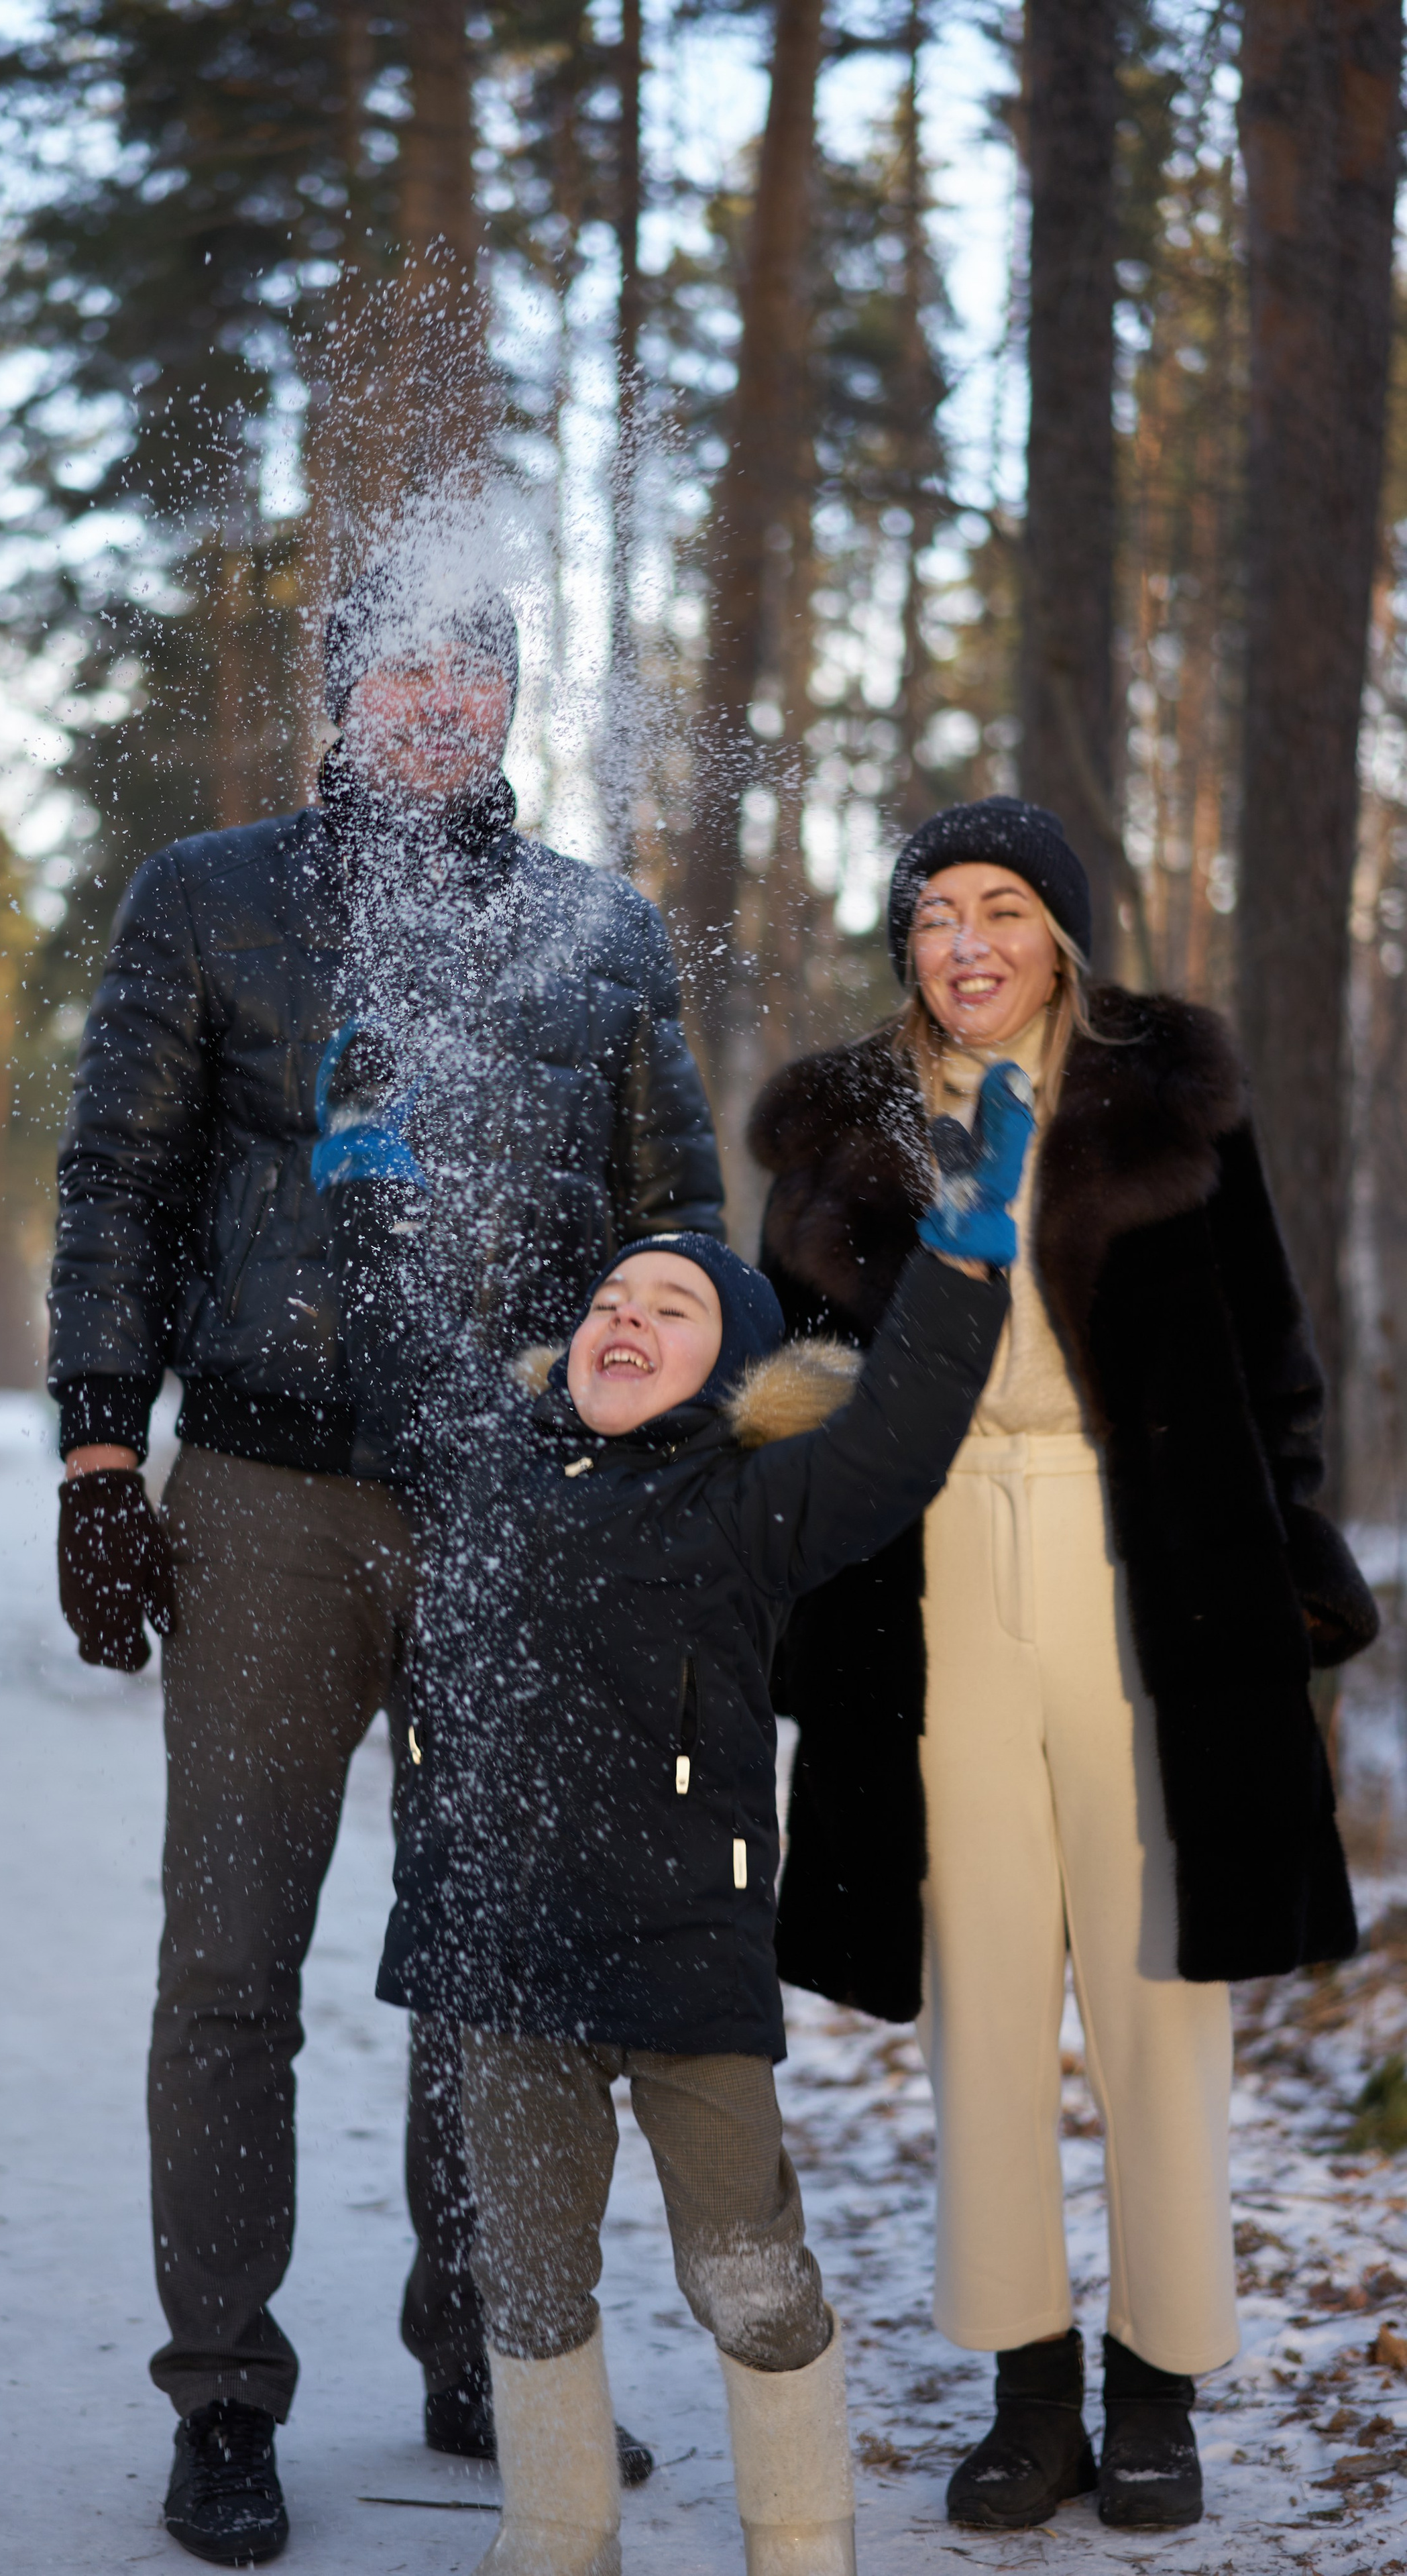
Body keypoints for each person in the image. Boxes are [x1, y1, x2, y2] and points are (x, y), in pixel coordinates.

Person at [46, 555, 724, 2566]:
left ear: (515, 705)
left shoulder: (599, 929)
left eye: (474, 674)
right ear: (341, 699)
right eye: (403, 671)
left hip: (519, 1503)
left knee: (501, 1961)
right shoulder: (211, 896)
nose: (439, 705)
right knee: (231, 1961)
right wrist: (102, 1448)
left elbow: (675, 1212)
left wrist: (668, 1450)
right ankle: (227, 2401)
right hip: (266, 1497)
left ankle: (494, 2354)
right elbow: (119, 1180)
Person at [746, 796, 1378, 2535]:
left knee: (1160, 1984)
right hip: (930, 1579)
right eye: (936, 910)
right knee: (986, 1996)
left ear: (1063, 934)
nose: (965, 940)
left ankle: (1158, 2387)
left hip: (1148, 1566)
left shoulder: (1174, 1098)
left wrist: (1285, 1576)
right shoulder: (841, 1134)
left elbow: (1275, 1362)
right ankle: (1028, 2392)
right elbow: (788, 1394)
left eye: (1001, 906)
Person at [359, 1059, 1028, 2576]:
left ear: (731, 1375)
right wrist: (370, 1186)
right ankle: (555, 2532)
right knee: (523, 2278)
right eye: (611, 1301)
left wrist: (965, 1261)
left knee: (744, 2271)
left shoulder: (751, 1505)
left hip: (680, 1956)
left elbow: (903, 1433)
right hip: (499, 1957)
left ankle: (799, 2536)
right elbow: (403, 1354)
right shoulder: (488, 1462)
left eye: (671, 1313)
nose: (623, 1320)